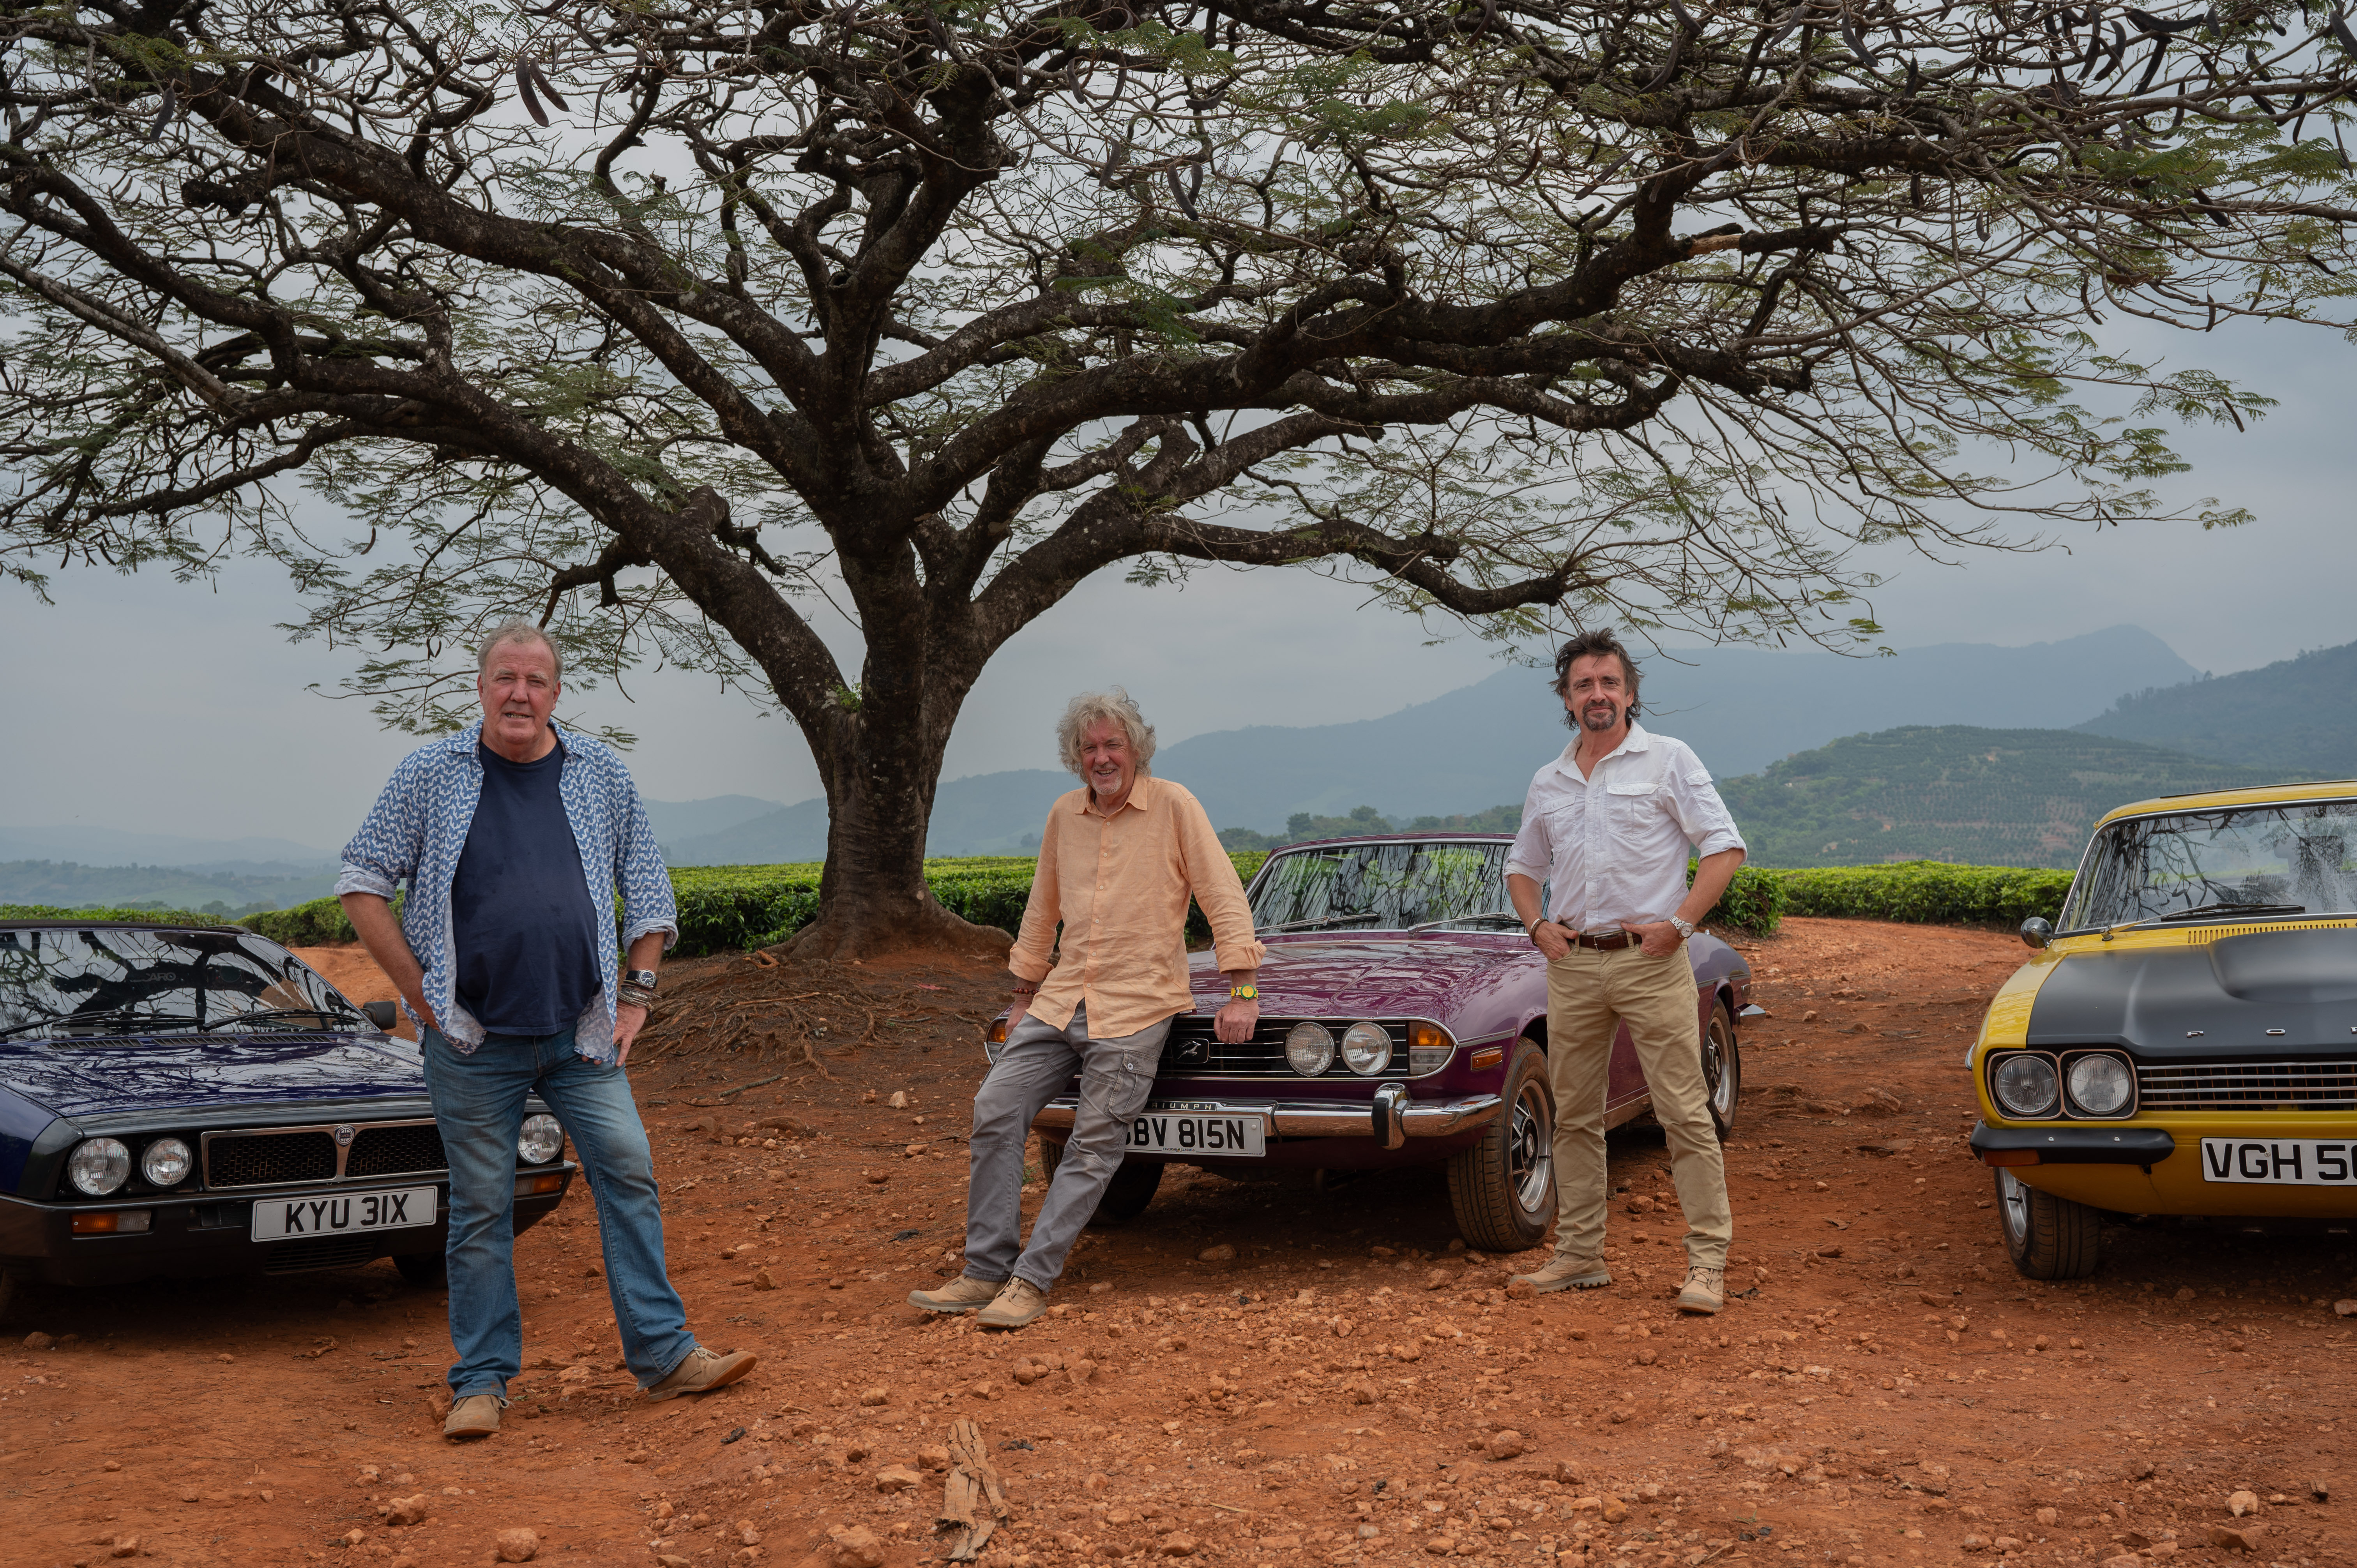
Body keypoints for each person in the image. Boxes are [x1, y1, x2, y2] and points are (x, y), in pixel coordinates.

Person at [337, 618, 755, 1439]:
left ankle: (666, 1357)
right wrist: (419, 991)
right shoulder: (432, 771)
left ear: (557, 693)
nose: (519, 692)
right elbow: (361, 880)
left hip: (582, 1033)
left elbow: (650, 890)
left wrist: (637, 995)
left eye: (535, 679)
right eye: (505, 677)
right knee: (483, 1207)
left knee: (628, 1169)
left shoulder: (600, 771)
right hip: (471, 1038)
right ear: (482, 686)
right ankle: (482, 1381)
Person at [911, 688, 1265, 1329]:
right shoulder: (1063, 815)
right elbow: (1042, 908)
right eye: (1090, 748)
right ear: (1077, 758)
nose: (1102, 758)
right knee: (995, 1108)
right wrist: (1023, 996)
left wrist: (1242, 990)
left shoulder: (1176, 806)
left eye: (1113, 745)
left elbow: (1221, 893)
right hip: (1061, 998)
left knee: (1094, 1144)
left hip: (1138, 1003)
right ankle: (984, 1269)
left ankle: (1030, 1281)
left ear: (1137, 750)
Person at [1502, 629, 1748, 1314]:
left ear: (1631, 693)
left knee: (1683, 1112)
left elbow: (1725, 848)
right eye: (1584, 684)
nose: (1598, 695)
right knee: (1576, 1116)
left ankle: (1707, 1264)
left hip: (1651, 962)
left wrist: (1681, 925)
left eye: (1610, 683)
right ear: (1567, 698)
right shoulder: (1548, 780)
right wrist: (1537, 926)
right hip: (1574, 966)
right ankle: (1581, 1256)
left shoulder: (1668, 761)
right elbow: (1523, 868)